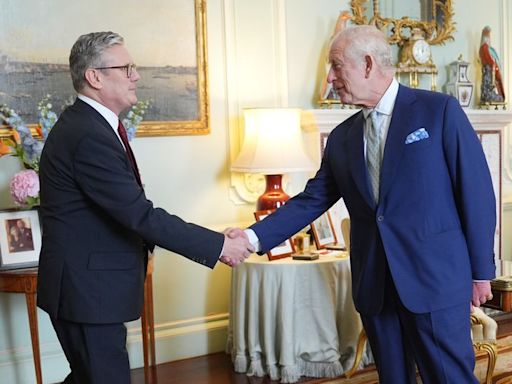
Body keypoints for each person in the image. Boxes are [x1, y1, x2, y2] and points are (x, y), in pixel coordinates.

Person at [230, 25, 496, 383]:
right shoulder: (342, 138)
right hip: (376, 288)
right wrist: (251, 238)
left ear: (368, 64)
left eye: (337, 66)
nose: (330, 77)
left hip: (435, 281)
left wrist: (481, 272)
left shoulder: (439, 112)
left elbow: (476, 193)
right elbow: (312, 199)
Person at [36, 31, 253, 384]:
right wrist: (219, 245)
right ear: (95, 77)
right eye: (127, 68)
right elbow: (140, 215)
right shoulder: (87, 134)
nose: (137, 76)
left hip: (90, 289)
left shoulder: (91, 126)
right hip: (86, 293)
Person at [479, 25, 505, 103]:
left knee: (495, 83)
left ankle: (498, 95)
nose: (489, 37)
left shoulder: (488, 48)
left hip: (492, 70)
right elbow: (489, 60)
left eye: (489, 35)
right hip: (488, 71)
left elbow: (493, 61)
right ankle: (489, 95)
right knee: (489, 84)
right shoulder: (484, 47)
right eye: (487, 35)